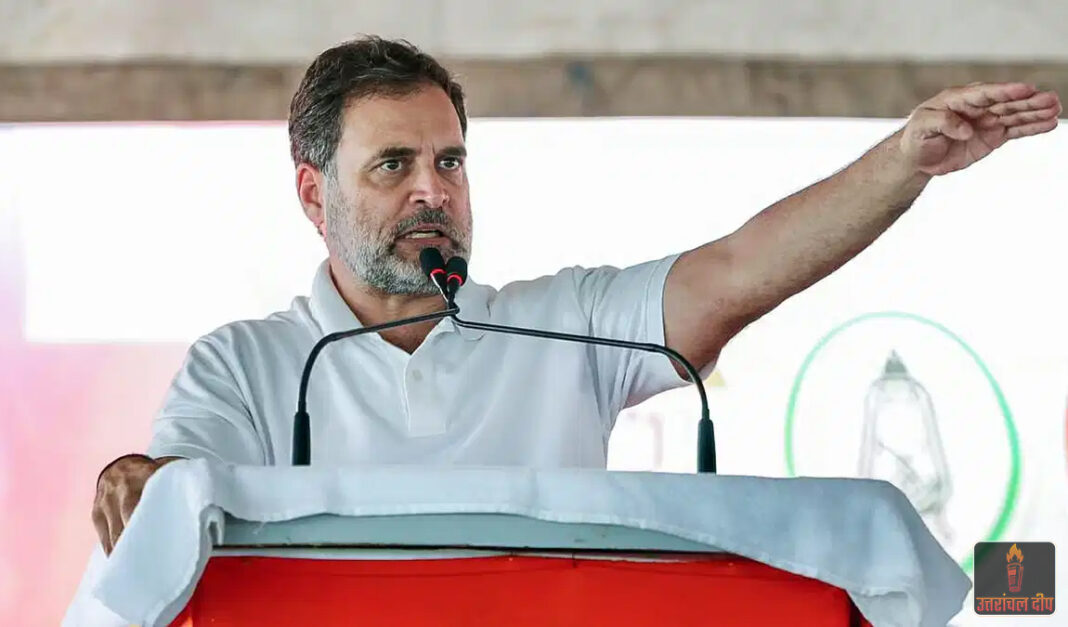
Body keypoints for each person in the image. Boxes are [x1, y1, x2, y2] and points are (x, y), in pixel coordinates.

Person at [91, 36, 1060, 554]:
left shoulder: (559, 324)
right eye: (394, 164)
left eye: (450, 161)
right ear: (314, 195)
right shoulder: (247, 364)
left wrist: (904, 162)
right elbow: (170, 495)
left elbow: (735, 272)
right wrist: (140, 480)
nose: (433, 191)